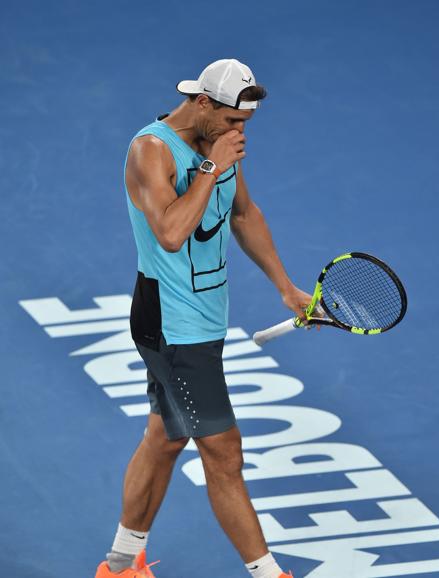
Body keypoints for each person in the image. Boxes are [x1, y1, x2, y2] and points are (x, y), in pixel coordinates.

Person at [95, 58, 311, 578]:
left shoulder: (222, 144)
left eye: (245, 126)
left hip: (202, 320)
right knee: (223, 454)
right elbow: (171, 233)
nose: (239, 134)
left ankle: (120, 566)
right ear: (203, 103)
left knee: (166, 438)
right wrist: (212, 166)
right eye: (232, 122)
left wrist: (285, 288)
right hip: (173, 324)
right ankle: (269, 574)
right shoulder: (150, 150)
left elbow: (243, 213)